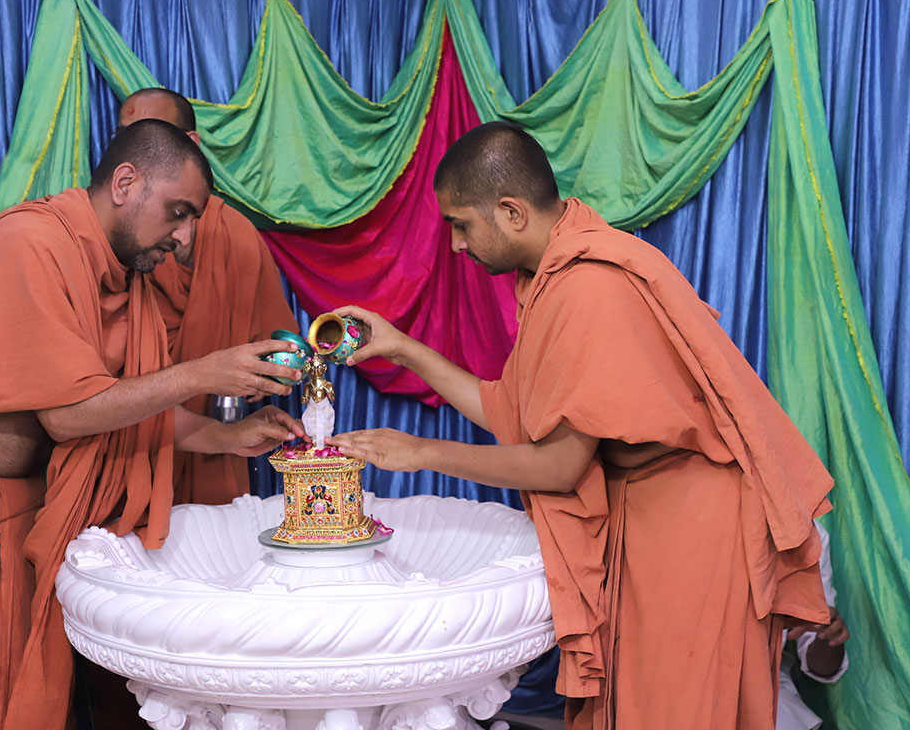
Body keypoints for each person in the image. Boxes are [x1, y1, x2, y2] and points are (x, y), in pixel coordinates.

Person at [328, 122, 835, 730]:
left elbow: (558, 466)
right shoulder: (557, 272)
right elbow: (508, 411)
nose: (457, 245)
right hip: (650, 512)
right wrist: (403, 347)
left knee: (673, 712)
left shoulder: (589, 286)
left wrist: (418, 452)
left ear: (511, 212)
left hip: (692, 525)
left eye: (461, 224)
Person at [0, 119, 305, 730]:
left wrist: (226, 437)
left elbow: (126, 406)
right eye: (177, 212)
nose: (184, 236)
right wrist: (202, 373)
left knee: (12, 695)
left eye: (193, 219)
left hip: (22, 502)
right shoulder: (33, 245)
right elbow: (70, 414)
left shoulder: (124, 274)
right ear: (125, 183)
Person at [119, 87, 298, 504]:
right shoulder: (114, 236)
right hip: (126, 448)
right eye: (124, 136)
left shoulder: (234, 235)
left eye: (151, 134)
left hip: (219, 442)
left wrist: (267, 374)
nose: (135, 149)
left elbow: (284, 349)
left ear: (192, 144)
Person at [778, 521, 849, 730]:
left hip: (766, 692)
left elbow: (822, 668)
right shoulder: (694, 522)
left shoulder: (807, 535)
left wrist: (828, 634)